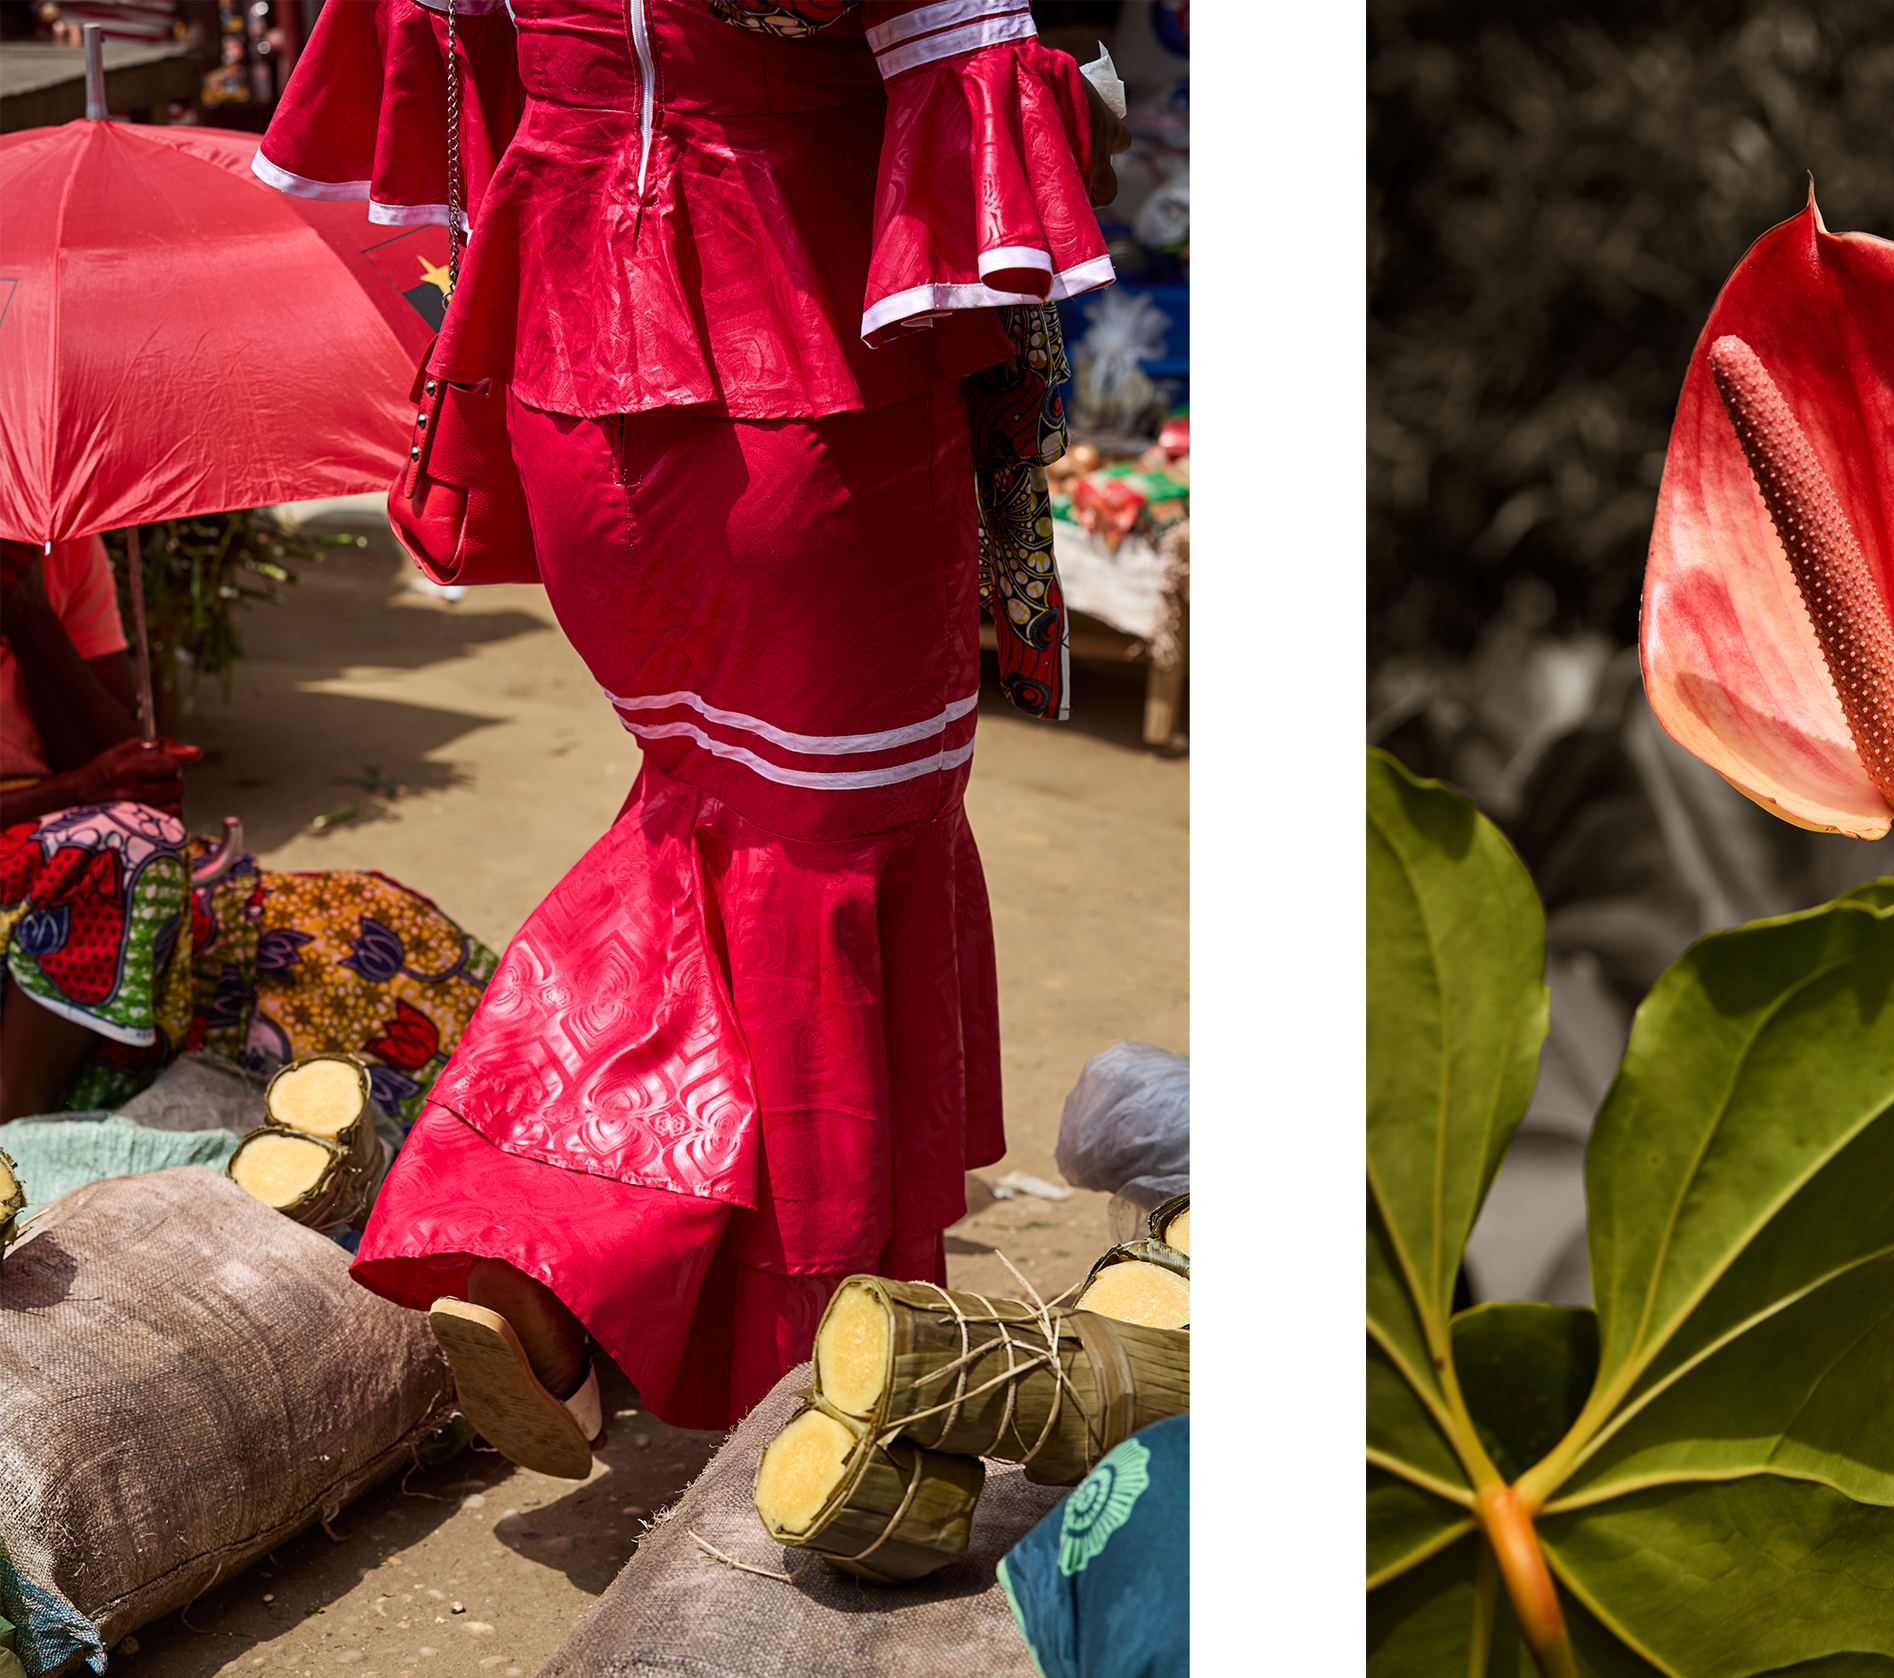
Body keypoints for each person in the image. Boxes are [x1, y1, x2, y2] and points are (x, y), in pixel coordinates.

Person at [254, 0, 1129, 1474]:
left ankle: (571, 1271)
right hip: (809, 386)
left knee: (709, 810)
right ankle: (815, 1370)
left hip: (582, 389)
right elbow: (1002, 121)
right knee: (835, 850)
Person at [0, 535, 497, 1126]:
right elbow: (101, 794)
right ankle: (19, 1117)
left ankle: (503, 1100)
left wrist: (32, 623)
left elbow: (113, 759)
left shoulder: (62, 555)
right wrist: (81, 791)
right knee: (121, 844)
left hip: (78, 842)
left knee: (365, 926)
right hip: (76, 844)